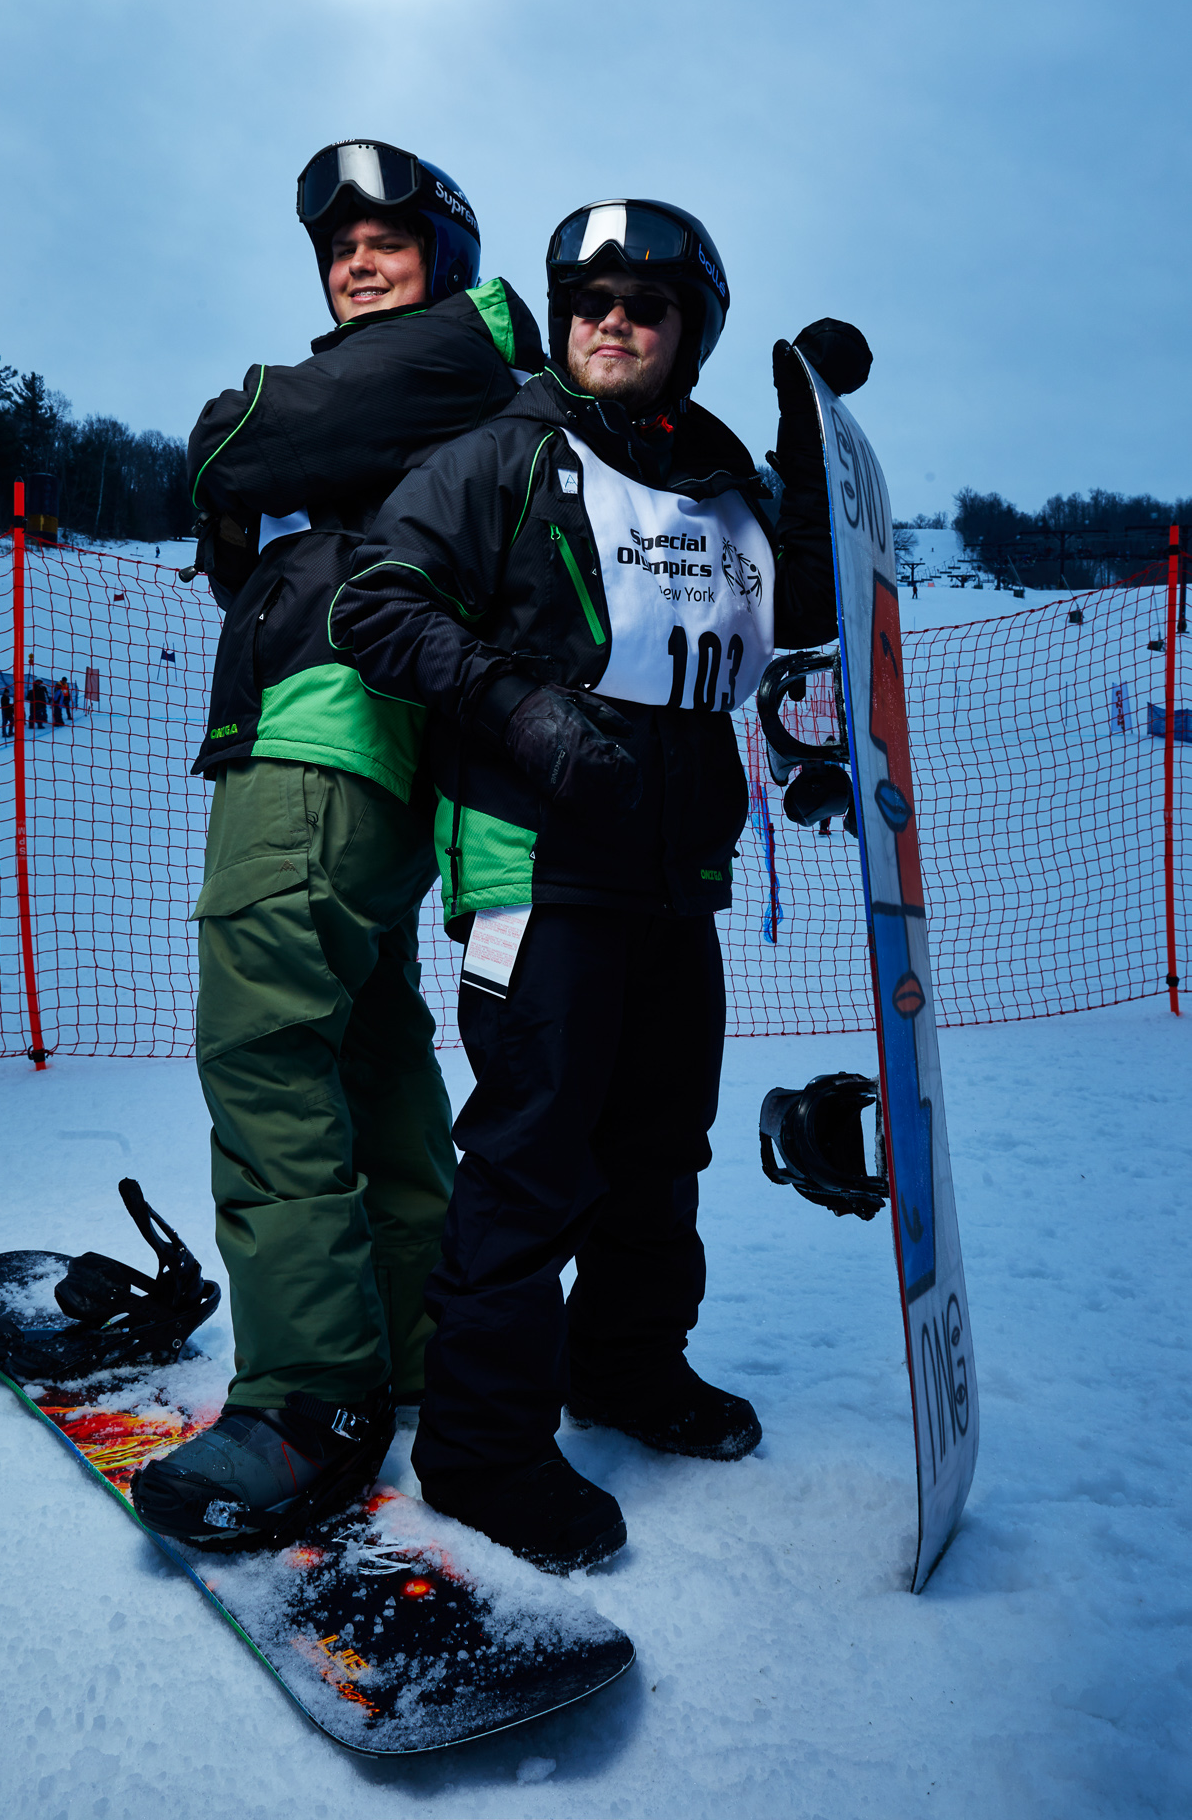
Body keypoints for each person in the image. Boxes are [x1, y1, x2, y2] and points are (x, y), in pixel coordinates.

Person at [332, 196, 869, 1572]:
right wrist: (516, 708)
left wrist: (808, 451)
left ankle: (626, 1363)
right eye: (592, 302)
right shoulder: (500, 454)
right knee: (530, 1161)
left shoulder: (718, 479)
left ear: (691, 333)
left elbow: (806, 615)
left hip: (675, 869)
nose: (614, 322)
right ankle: (479, 1445)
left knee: (658, 1146)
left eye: (647, 304)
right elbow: (375, 596)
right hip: (536, 862)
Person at [131, 139, 545, 1554]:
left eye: (385, 237)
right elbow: (255, 517)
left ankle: (310, 1395)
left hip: (324, 740)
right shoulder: (436, 387)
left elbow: (240, 435)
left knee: (263, 1040)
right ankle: (414, 1345)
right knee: (366, 1049)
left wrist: (243, 455)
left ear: (448, 257)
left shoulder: (447, 352)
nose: (354, 260)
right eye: (336, 246)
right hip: (359, 748)